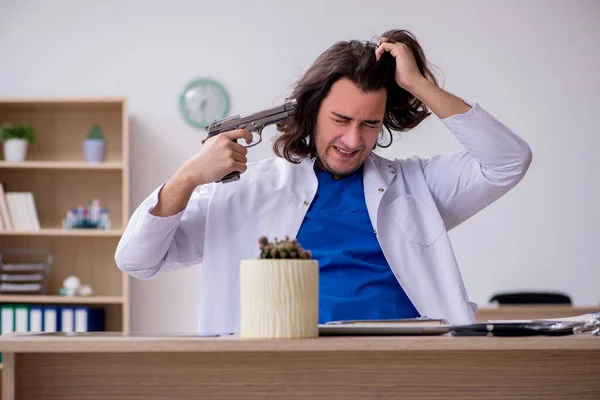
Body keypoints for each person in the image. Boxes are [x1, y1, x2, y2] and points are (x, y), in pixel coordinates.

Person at [115, 29, 532, 333]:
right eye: (341, 120)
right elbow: (137, 260)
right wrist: (188, 177)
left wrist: (418, 85)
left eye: (369, 124)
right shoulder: (244, 192)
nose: (354, 140)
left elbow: (508, 161)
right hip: (289, 370)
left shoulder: (417, 184)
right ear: (312, 111)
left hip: (409, 362)